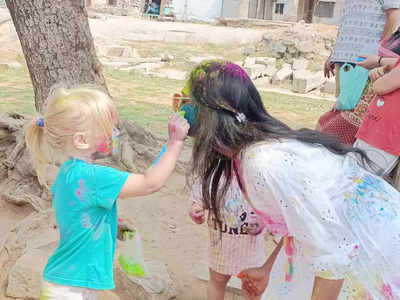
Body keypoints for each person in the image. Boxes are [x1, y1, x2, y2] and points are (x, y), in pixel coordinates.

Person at [183, 60, 400, 299]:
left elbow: (332, 254)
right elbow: (301, 220)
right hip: (342, 243)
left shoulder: (264, 163)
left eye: (189, 102)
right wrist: (267, 269)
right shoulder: (244, 156)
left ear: (212, 118)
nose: (183, 110)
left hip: (371, 244)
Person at [24, 86, 189, 300]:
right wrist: (175, 143)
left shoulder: (68, 171)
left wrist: (106, 222)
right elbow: (150, 183)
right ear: (81, 140)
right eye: (108, 128)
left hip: (65, 282)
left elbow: (73, 212)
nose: (116, 132)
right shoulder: (95, 176)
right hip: (70, 290)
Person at [317, 0, 400, 145]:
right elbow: (346, 23)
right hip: (346, 62)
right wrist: (334, 54)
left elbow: (393, 16)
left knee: (343, 127)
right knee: (334, 116)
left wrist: (378, 57)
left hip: (367, 63)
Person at [189, 175, 266, 300]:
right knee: (217, 282)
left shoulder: (259, 176)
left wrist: (262, 222)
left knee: (253, 289)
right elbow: (199, 196)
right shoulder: (214, 172)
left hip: (250, 251)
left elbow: (272, 207)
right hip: (222, 248)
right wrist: (197, 208)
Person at [354, 57, 400, 178]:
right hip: (381, 131)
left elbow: (380, 86)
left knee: (360, 178)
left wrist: (379, 76)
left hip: (383, 135)